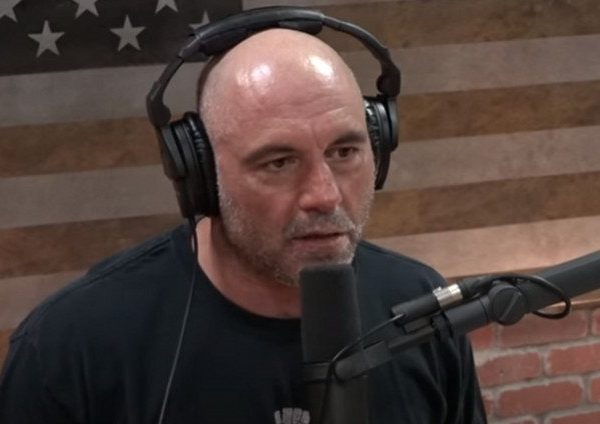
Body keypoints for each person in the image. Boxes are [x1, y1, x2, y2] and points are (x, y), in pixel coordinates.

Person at [0, 25, 486, 423]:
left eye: (344, 152)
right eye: (279, 162)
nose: (324, 195)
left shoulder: (420, 307)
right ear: (202, 177)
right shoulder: (70, 349)